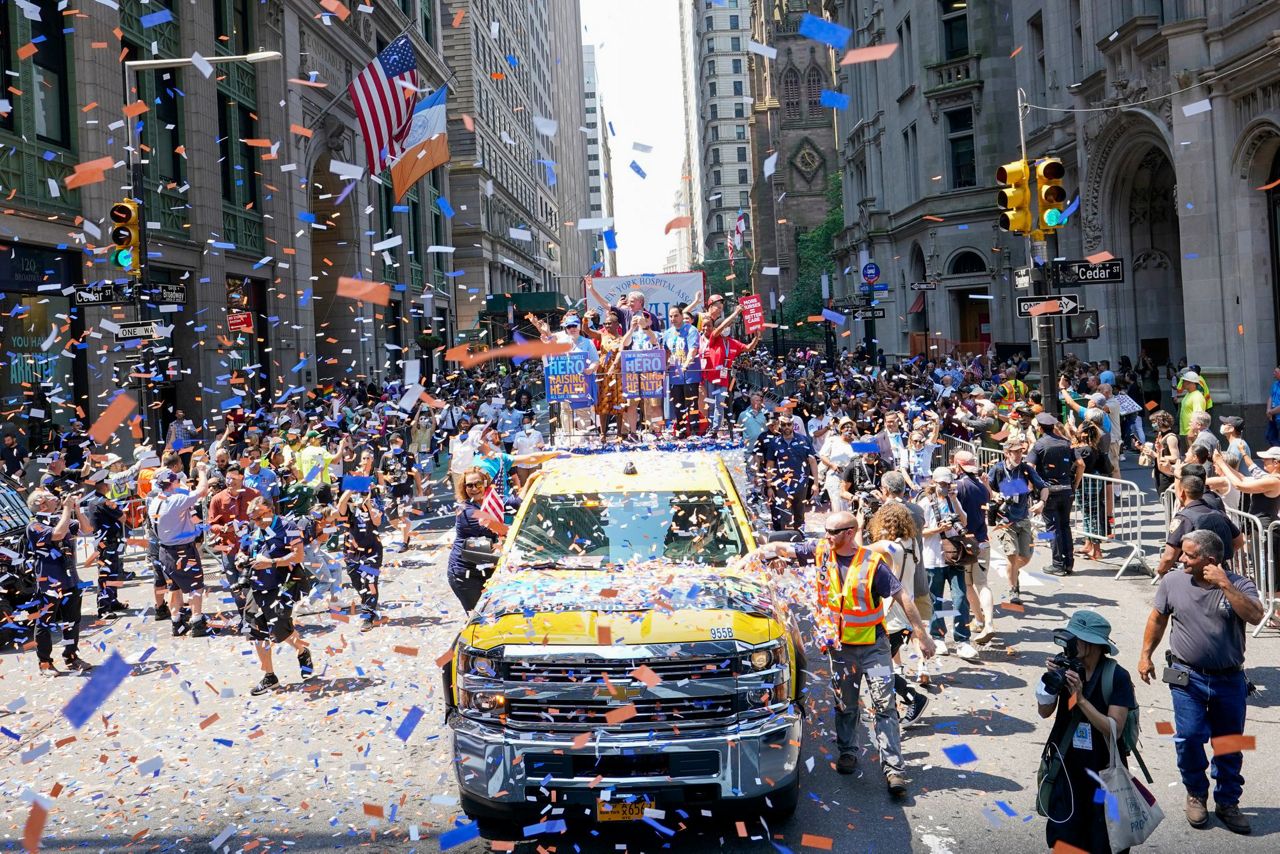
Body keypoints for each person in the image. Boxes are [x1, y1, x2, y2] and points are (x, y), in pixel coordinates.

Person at [738, 511, 935, 797]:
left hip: (874, 648)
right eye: (826, 531)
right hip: (841, 650)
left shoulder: (872, 564)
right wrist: (753, 557)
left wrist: (922, 634)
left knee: (884, 704)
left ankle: (894, 770)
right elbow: (779, 548)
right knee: (846, 705)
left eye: (833, 532)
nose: (826, 536)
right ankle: (847, 752)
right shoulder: (821, 552)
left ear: (849, 532)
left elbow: (902, 596)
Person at [1138, 529, 1261, 835]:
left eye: (1189, 555)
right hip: (1186, 677)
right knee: (1190, 737)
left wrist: (1224, 585)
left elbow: (1256, 615)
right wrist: (1145, 655)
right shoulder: (1173, 581)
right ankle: (1196, 793)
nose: (1181, 558)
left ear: (1210, 560)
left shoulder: (1239, 585)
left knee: (1229, 744)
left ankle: (1228, 802)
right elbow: (1157, 618)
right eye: (1182, 552)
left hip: (1229, 680)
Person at [1036, 611, 1135, 852]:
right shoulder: (1066, 665)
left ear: (1091, 644)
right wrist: (1050, 682)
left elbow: (1115, 729)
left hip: (1104, 778)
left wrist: (1080, 699)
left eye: (1075, 638)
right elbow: (1044, 712)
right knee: (1064, 840)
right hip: (1066, 771)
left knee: (1103, 841)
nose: (1070, 643)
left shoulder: (1116, 676)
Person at [860, 504, 931, 725]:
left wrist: (860, 522)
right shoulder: (912, 545)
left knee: (875, 666)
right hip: (906, 615)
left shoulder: (888, 546)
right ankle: (887, 707)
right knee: (881, 665)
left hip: (891, 614)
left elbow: (856, 552)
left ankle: (914, 699)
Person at [242, 497, 315, 696]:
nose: (254, 522)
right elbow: (246, 550)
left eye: (257, 518)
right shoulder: (254, 529)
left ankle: (302, 651)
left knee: (281, 632)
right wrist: (242, 558)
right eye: (252, 518)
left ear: (268, 512)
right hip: (257, 586)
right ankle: (269, 676)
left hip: (282, 586)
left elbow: (298, 556)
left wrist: (271, 562)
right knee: (256, 632)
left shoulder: (288, 526)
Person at [27, 489, 94, 674]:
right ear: (41, 504)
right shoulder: (35, 526)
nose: (56, 498)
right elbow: (57, 534)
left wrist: (77, 509)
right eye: (50, 497)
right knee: (45, 624)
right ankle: (45, 664)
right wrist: (66, 508)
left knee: (72, 621)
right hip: (49, 584)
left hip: (71, 581)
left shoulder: (60, 519)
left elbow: (87, 530)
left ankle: (71, 657)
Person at [149, 464, 214, 637]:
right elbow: (202, 490)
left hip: (165, 551)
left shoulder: (155, 501)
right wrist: (201, 470)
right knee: (195, 587)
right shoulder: (175, 500)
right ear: (171, 482)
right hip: (182, 551)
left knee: (174, 588)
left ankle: (177, 623)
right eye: (176, 480)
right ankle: (197, 622)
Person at [921, 469, 981, 650]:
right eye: (942, 484)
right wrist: (938, 529)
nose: (945, 487)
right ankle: (937, 637)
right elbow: (919, 532)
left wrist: (954, 500)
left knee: (960, 598)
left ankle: (962, 639)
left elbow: (964, 521)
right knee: (935, 599)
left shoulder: (953, 500)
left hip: (955, 556)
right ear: (933, 483)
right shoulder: (925, 504)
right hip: (933, 558)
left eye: (948, 484)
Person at [987, 437, 1049, 606]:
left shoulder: (1026, 469)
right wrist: (994, 495)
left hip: (1023, 518)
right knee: (1012, 556)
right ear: (1006, 453)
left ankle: (1013, 573)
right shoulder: (997, 469)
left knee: (1026, 557)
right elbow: (988, 487)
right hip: (1004, 520)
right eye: (1015, 452)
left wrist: (1041, 502)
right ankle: (1013, 589)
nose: (1019, 455)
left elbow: (1044, 487)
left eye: (1021, 451)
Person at [1027, 413, 1083, 577]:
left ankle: (1058, 564)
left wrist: (1032, 487)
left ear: (1039, 428)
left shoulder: (1039, 445)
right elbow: (1081, 464)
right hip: (1066, 490)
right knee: (1065, 526)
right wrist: (1075, 485)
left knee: (1053, 528)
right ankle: (1068, 564)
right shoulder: (1066, 443)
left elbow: (1029, 466)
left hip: (1048, 491)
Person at [1155, 473, 1243, 576]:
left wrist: (1161, 571)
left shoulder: (1184, 518)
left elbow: (1169, 557)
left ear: (1182, 492)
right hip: (1220, 572)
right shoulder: (1219, 513)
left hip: (1195, 575)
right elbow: (1239, 541)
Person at [207, 463, 261, 627]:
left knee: (253, 585)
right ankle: (245, 618)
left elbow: (264, 518)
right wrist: (223, 528)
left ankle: (254, 617)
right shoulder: (217, 499)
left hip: (251, 550)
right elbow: (211, 524)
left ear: (241, 477)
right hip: (229, 549)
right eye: (228, 479)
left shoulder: (254, 495)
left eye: (234, 478)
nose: (230, 482)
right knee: (235, 586)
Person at [448, 468, 502, 612]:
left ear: (485, 483)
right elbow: (504, 530)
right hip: (466, 575)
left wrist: (529, 482)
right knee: (480, 618)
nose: (474, 489)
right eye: (469, 485)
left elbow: (514, 502)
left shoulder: (488, 503)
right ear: (464, 488)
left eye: (478, 484)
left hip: (485, 566)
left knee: (494, 614)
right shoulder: (467, 511)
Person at [83, 466, 128, 618]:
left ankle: (112, 600)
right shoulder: (106, 502)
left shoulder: (93, 501)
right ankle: (104, 607)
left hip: (104, 542)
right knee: (106, 574)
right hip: (107, 542)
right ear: (103, 485)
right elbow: (123, 517)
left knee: (112, 573)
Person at [336, 486, 384, 631]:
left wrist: (368, 503)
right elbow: (340, 505)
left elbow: (377, 522)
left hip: (372, 553)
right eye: (357, 494)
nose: (360, 497)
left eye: (362, 494)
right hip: (352, 554)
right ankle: (369, 604)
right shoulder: (349, 510)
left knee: (369, 582)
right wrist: (352, 487)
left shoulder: (375, 506)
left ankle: (368, 616)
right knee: (357, 583)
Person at [762, 415, 818, 531]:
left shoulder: (804, 440)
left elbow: (812, 462)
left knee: (800, 515)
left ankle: (800, 539)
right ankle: (786, 542)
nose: (786, 427)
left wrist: (816, 483)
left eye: (789, 424)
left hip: (801, 483)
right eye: (783, 425)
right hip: (782, 485)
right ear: (779, 425)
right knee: (785, 516)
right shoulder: (774, 442)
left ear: (793, 425)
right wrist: (769, 486)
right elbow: (770, 465)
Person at [377, 432, 423, 552]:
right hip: (390, 493)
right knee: (391, 519)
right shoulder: (385, 456)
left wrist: (420, 489)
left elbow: (416, 473)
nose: (393, 444)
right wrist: (386, 480)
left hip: (405, 492)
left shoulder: (409, 456)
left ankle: (404, 543)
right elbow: (381, 473)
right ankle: (406, 535)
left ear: (401, 442)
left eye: (396, 442)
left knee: (403, 516)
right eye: (391, 443)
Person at [663, 306, 702, 438]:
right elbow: (666, 352)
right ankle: (681, 431)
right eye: (670, 316)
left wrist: (685, 365)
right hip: (674, 375)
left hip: (690, 374)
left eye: (675, 316)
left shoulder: (691, 330)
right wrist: (666, 364)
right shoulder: (668, 333)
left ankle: (695, 431)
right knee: (677, 404)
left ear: (681, 315)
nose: (673, 319)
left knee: (691, 403)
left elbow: (693, 350)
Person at [817, 417, 858, 512]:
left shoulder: (856, 442)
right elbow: (822, 456)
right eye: (846, 427)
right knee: (837, 503)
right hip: (836, 475)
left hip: (851, 478)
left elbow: (869, 452)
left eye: (851, 427)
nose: (849, 429)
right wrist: (832, 465)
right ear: (841, 429)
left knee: (849, 506)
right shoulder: (833, 440)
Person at [1178, 371, 1208, 440]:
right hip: (1186, 433)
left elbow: (1198, 416)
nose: (1182, 383)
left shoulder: (1197, 396)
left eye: (1184, 381)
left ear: (1190, 382)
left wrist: (1192, 431)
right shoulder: (1188, 394)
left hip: (1192, 434)